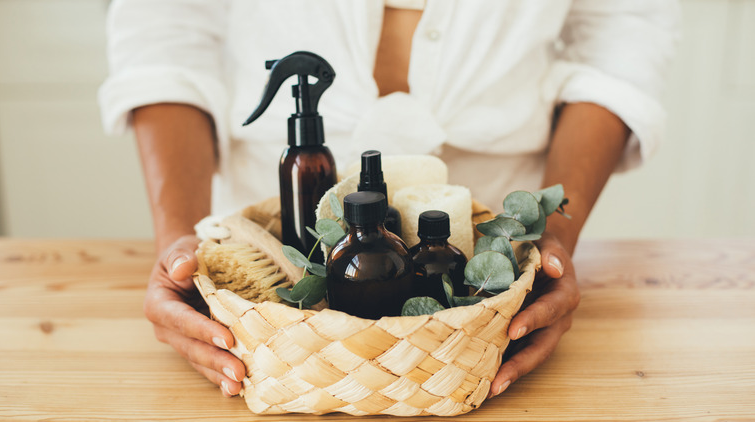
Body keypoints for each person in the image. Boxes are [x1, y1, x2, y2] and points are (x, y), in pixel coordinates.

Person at [99, 1, 679, 399]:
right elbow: (165, 26)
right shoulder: (302, 165)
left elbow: (621, 28)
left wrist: (551, 244)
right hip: (265, 273)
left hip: (493, 262)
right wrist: (179, 240)